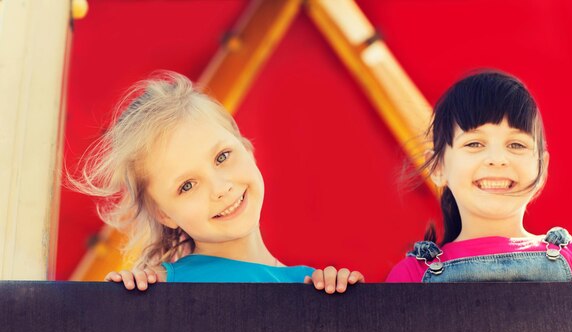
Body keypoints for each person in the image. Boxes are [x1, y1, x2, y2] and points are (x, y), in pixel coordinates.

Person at [70, 71, 363, 292]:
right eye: (187, 185)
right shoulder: (159, 288)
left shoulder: (313, 285)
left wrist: (346, 299)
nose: (220, 188)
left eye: (222, 157)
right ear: (165, 214)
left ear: (247, 149)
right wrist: (125, 298)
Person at [387, 71, 572, 283]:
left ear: (542, 167)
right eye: (475, 143)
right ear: (439, 167)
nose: (498, 158)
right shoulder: (412, 275)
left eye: (516, 145)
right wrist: (350, 296)